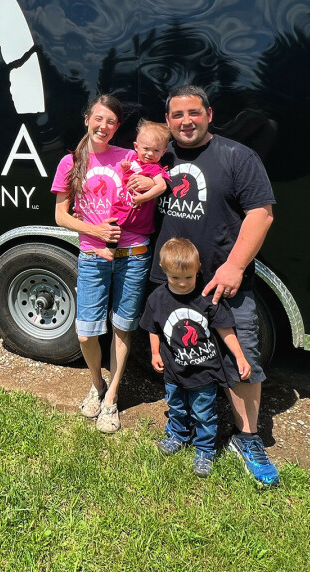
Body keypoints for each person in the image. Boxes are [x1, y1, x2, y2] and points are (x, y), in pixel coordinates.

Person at [149, 84, 279, 487]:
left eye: (193, 113)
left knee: (242, 362)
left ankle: (247, 438)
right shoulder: (161, 158)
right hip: (172, 283)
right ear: (168, 121)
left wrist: (235, 266)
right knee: (178, 356)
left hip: (222, 284)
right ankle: (182, 427)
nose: (185, 121)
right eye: (176, 115)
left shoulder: (237, 157)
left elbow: (262, 214)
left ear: (208, 113)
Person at [51, 95, 158, 434]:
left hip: (133, 255)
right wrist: (93, 230)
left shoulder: (128, 157)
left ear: (117, 127)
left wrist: (150, 185)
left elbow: (155, 177)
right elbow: (60, 215)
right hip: (93, 256)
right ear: (87, 119)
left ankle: (111, 397)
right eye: (99, 118)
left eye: (111, 121)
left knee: (122, 327)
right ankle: (97, 384)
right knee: (86, 333)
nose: (104, 126)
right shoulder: (71, 163)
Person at [141, 238, 251, 478]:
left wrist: (240, 357)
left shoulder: (206, 297)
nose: (182, 284)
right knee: (176, 406)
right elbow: (153, 327)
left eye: (188, 278)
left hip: (204, 371)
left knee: (204, 413)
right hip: (173, 371)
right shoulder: (157, 299)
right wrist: (155, 352)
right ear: (164, 271)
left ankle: (204, 450)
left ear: (198, 268)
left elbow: (224, 329)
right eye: (175, 279)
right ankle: (177, 436)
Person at [98, 120, 172, 261]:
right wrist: (126, 169)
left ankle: (110, 250)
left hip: (138, 210)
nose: (150, 154)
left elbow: (161, 186)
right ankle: (109, 250)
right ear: (136, 147)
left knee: (118, 226)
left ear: (163, 152)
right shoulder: (135, 162)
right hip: (125, 205)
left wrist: (143, 198)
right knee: (113, 224)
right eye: (146, 149)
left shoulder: (154, 168)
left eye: (156, 150)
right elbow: (127, 180)